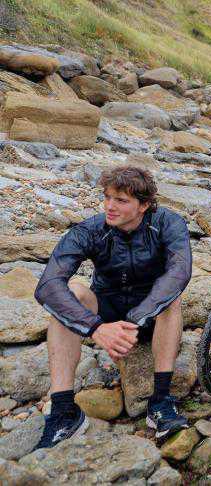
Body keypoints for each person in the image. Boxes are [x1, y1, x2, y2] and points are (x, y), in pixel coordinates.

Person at [34, 165, 193, 448]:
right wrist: (95, 328)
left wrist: (135, 320)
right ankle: (63, 411)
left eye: (121, 200)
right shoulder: (92, 229)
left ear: (144, 205)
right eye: (107, 197)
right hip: (106, 312)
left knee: (172, 298)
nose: (109, 206)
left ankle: (160, 402)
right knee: (70, 292)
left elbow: (179, 273)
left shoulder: (169, 223)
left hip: (150, 316)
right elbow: (48, 284)